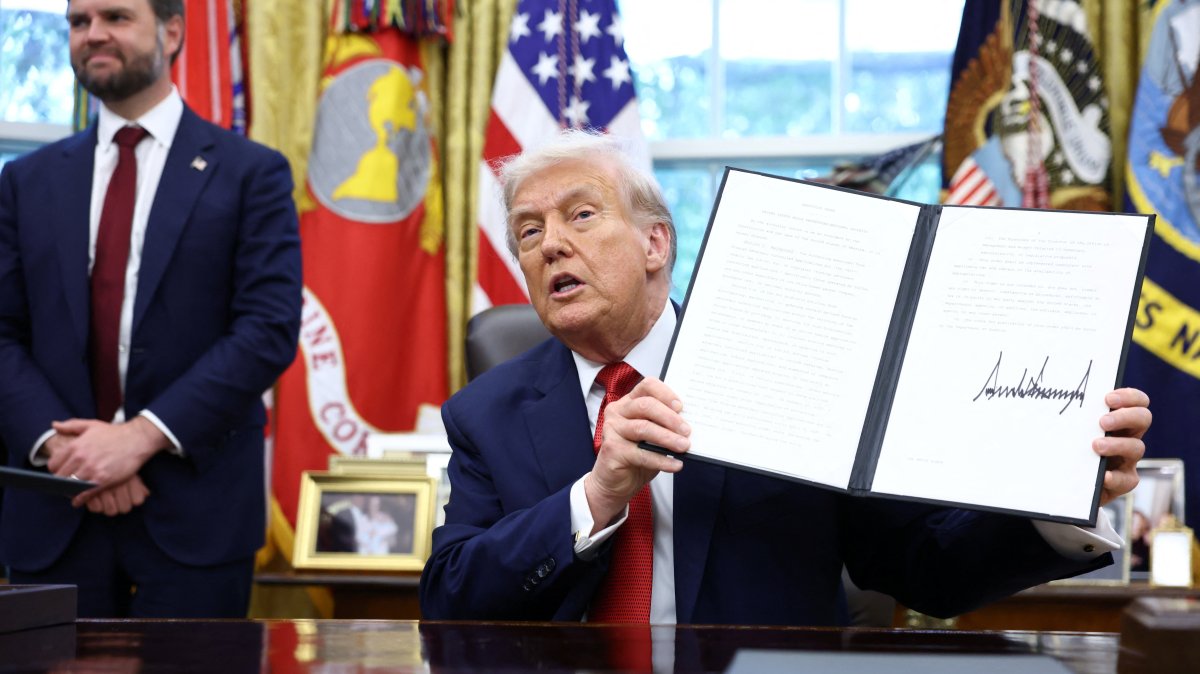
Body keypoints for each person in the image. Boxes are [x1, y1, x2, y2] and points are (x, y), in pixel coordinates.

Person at [418, 129, 1151, 625]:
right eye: (529, 231)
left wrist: (1062, 494)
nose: (551, 244)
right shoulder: (486, 412)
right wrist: (597, 495)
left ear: (655, 244)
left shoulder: (791, 363)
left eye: (580, 215)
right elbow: (450, 598)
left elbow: (920, 566)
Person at [0, 0, 302, 617]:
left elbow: (266, 330)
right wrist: (68, 452)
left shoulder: (252, 174)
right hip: (54, 508)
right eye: (78, 22)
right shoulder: (25, 181)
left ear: (172, 32)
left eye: (115, 17)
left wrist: (137, 439)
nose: (93, 34)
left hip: (197, 516)